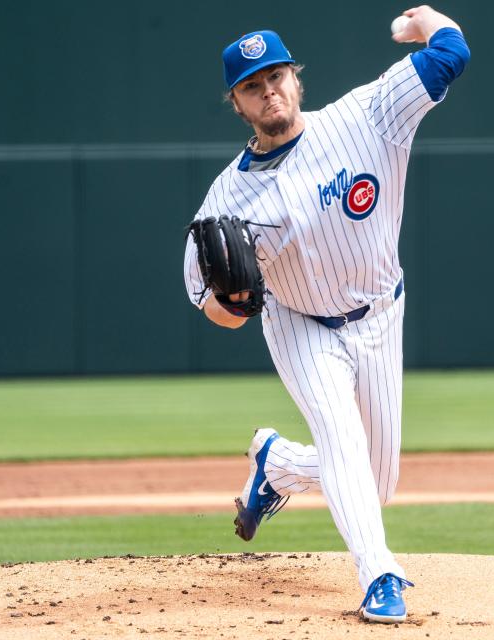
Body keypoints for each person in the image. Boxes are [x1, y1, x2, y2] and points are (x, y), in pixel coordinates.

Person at [182, 5, 470, 623]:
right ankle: (380, 575)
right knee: (341, 438)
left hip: (378, 315)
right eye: (252, 87)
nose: (269, 92)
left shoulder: (366, 116)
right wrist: (229, 310)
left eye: (276, 77)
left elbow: (451, 57)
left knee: (378, 479)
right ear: (236, 102)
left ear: (296, 78)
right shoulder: (226, 197)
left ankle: (277, 465)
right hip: (299, 325)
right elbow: (204, 296)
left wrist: (430, 21)